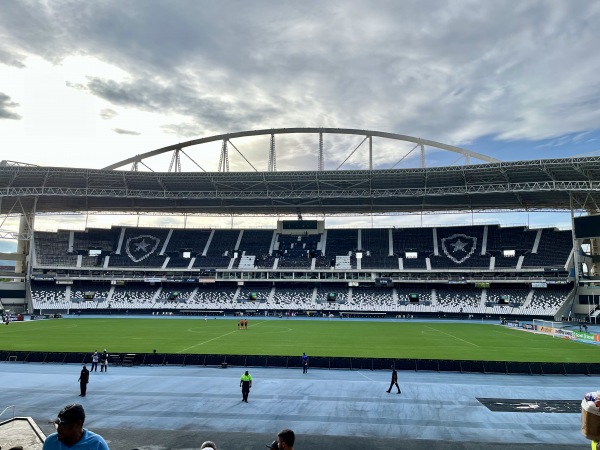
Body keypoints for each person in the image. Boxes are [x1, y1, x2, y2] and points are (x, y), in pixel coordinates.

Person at [43, 404, 109, 450]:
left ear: (78, 423)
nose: (59, 429)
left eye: (64, 425)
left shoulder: (97, 444)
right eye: (58, 424)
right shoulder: (50, 441)